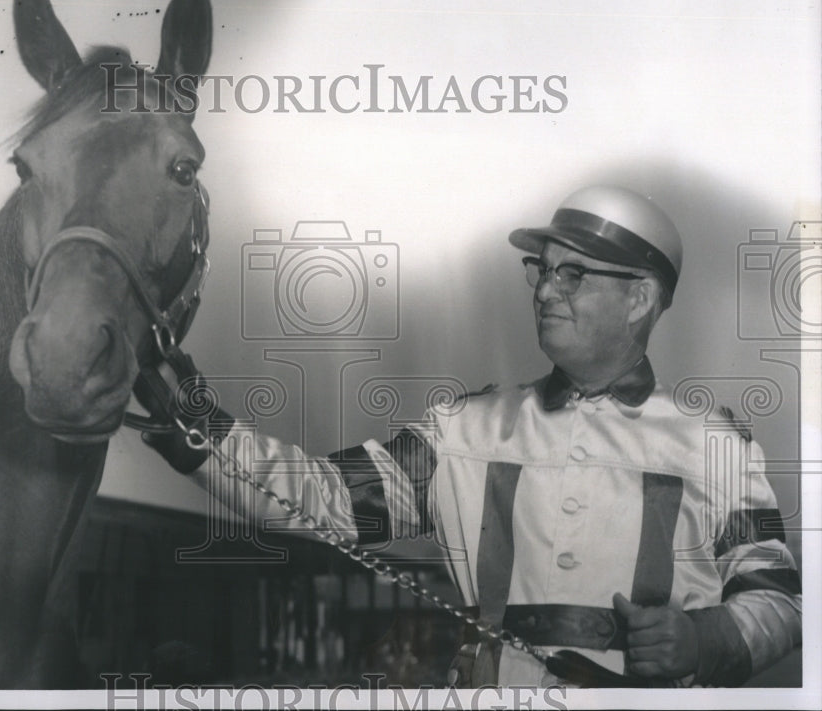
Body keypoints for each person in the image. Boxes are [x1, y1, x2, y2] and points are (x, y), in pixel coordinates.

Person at [142, 184, 802, 687]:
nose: (545, 289)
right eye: (542, 268)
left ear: (640, 298)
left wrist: (701, 639)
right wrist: (199, 424)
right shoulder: (461, 429)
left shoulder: (717, 445)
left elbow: (777, 598)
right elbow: (322, 497)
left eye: (573, 273)